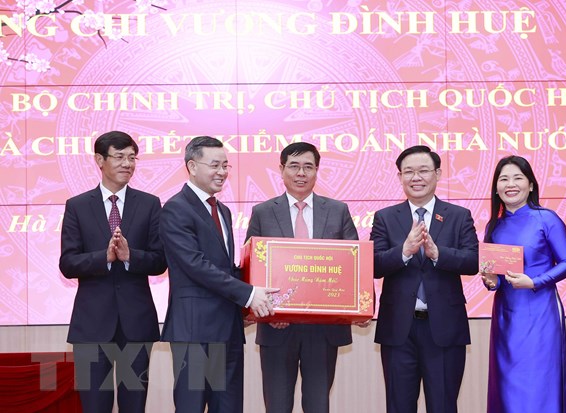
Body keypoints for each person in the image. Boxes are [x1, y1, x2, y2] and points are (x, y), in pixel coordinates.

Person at [159, 136, 278, 413]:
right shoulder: (176, 208)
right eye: (215, 165)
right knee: (191, 407)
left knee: (229, 407)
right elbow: (195, 264)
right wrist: (249, 294)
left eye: (226, 165)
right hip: (194, 331)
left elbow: (224, 267)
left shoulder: (222, 210)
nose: (222, 172)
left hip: (228, 328)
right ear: (192, 166)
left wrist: (263, 289)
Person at [245, 142, 359, 413]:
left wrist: (360, 306)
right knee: (277, 406)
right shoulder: (262, 212)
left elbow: (354, 263)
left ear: (317, 170)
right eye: (294, 166)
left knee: (318, 405)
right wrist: (268, 312)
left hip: (323, 329)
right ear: (281, 169)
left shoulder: (338, 210)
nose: (301, 173)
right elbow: (251, 266)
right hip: (276, 326)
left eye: (308, 167)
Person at [59, 130, 167, 413]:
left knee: (134, 406)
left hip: (136, 322)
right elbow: (67, 263)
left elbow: (160, 261)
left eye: (132, 158)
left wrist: (131, 256)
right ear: (100, 160)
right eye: (119, 157)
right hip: (91, 324)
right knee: (94, 406)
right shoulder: (77, 206)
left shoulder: (150, 203)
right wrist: (103, 258)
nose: (127, 164)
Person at [370, 145, 479, 413]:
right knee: (399, 406)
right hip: (398, 329)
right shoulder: (385, 217)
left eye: (423, 171)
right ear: (400, 177)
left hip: (444, 328)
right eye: (408, 172)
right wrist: (404, 251)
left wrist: (439, 254)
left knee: (443, 406)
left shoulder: (458, 215)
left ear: (437, 174)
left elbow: (474, 261)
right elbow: (374, 265)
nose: (416, 177)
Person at [481, 155, 566, 413]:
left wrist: (534, 281)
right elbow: (496, 277)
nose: (510, 184)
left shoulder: (547, 219)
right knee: (506, 384)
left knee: (540, 381)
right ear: (496, 188)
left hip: (541, 312)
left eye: (517, 178)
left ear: (530, 184)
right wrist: (491, 282)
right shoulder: (494, 226)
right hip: (505, 316)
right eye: (504, 179)